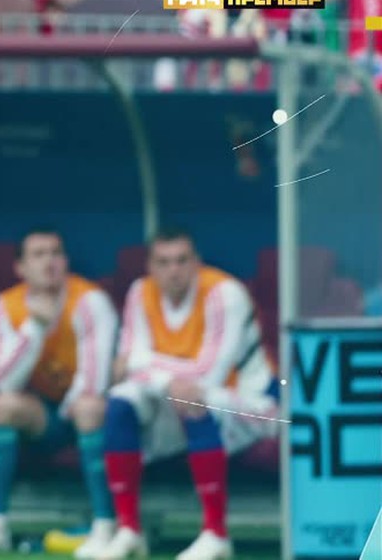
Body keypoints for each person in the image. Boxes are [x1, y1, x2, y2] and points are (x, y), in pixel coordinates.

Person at [95, 229, 277, 560]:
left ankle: (216, 534)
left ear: (197, 263)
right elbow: (121, 373)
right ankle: (129, 530)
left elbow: (208, 375)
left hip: (251, 405)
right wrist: (160, 377)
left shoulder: (225, 293)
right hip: (175, 397)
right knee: (121, 400)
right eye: (163, 262)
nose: (173, 270)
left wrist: (141, 363)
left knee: (192, 400)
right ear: (150, 266)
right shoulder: (140, 292)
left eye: (181, 261)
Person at [0, 229, 118, 559]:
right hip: (44, 412)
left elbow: (94, 381)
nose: (49, 262)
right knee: (2, 406)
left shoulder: (90, 300)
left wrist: (69, 413)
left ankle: (104, 526)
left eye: (56, 253)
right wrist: (36, 328)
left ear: (66, 261)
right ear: (21, 267)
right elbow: (5, 383)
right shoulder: (8, 303)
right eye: (39, 255)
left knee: (88, 406)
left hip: (88, 410)